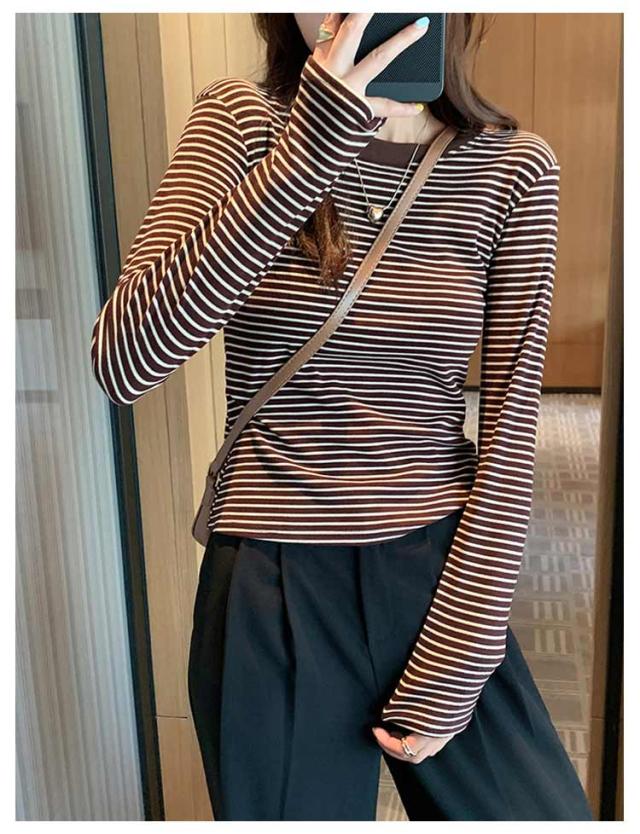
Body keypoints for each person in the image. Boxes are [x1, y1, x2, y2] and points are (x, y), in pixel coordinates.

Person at [90, 11, 594, 822]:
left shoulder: (512, 167)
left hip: (441, 568)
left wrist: (465, 647)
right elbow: (125, 360)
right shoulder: (242, 123)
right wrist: (310, 148)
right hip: (273, 582)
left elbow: (510, 428)